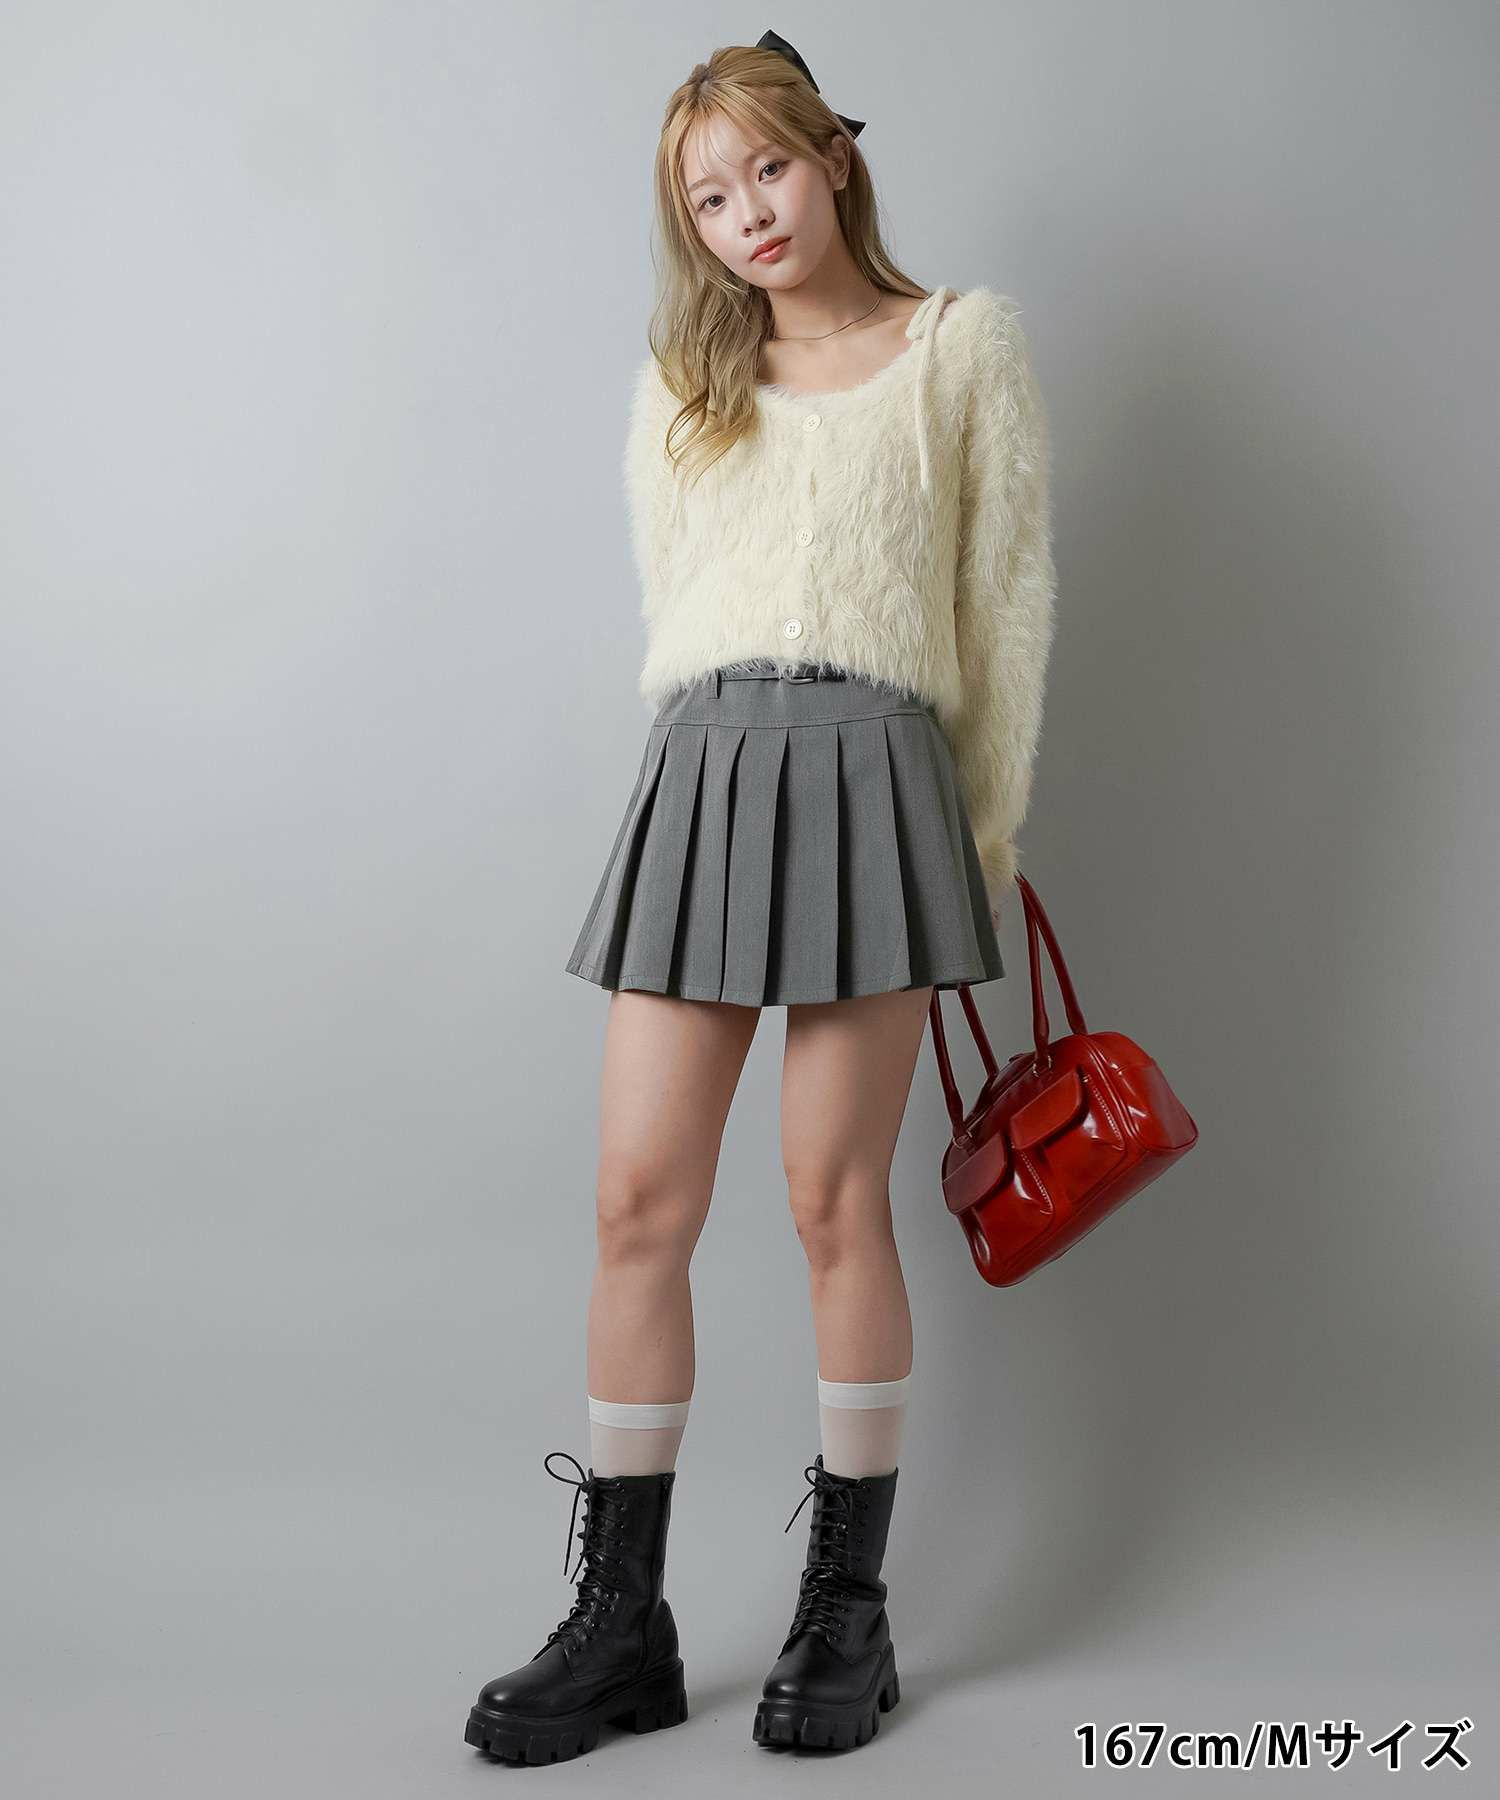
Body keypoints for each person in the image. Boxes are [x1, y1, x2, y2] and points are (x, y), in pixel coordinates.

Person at [464, 28, 1057, 1765]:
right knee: (636, 1199)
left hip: (882, 776)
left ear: (834, 153)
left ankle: (847, 1618)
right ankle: (622, 1624)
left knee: (829, 1200)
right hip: (710, 770)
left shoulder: (962, 346)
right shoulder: (684, 376)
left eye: (768, 171)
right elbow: (680, 601)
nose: (748, 218)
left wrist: (979, 844)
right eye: (709, 202)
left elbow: (1006, 608)